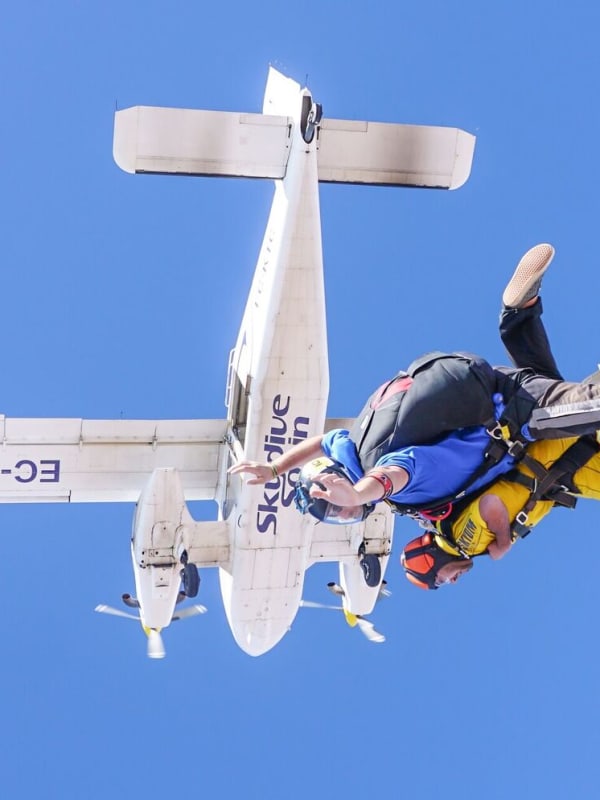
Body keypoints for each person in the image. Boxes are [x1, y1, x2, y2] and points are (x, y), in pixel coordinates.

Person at [231, 244, 600, 523]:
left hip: (510, 414)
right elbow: (319, 443)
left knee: (588, 406)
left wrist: (359, 494)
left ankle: (518, 316)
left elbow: (391, 477)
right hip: (497, 391)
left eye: (335, 508)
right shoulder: (353, 443)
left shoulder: (383, 469)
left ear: (340, 482)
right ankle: (518, 316)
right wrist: (275, 469)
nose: (344, 516)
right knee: (549, 388)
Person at [400, 432, 600, 590]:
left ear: (434, 560)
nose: (453, 581)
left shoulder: (463, 543)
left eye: (441, 580)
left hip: (556, 458)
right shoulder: (451, 529)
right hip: (559, 463)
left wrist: (503, 543)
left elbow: (491, 504)